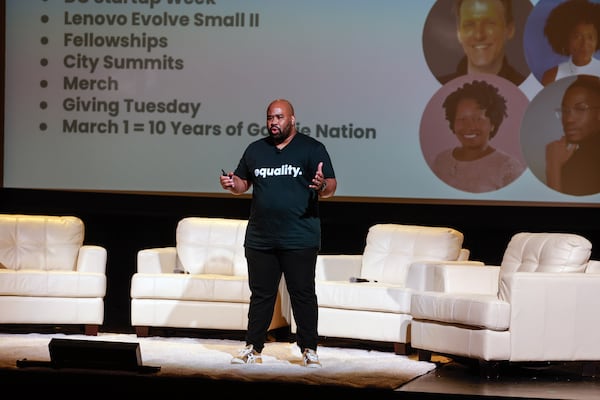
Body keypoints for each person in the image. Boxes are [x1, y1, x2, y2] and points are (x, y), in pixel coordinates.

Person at [220, 99, 337, 368]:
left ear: (292, 120)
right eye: (270, 117)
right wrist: (231, 183)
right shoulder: (256, 149)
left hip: (300, 236)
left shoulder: (312, 148)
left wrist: (321, 186)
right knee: (261, 295)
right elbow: (243, 183)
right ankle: (253, 347)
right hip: (261, 237)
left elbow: (331, 185)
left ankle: (309, 348)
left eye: (279, 117)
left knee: (303, 294)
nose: (274, 122)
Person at [432, 79, 525, 193]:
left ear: (493, 124)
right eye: (462, 119)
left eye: (478, 119)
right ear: (453, 122)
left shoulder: (508, 168)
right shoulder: (441, 160)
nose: (469, 126)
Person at [439, 0, 527, 86]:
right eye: (469, 25)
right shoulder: (438, 90)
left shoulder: (528, 90)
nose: (479, 35)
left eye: (490, 23)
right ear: (458, 33)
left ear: (509, 30)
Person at [545, 74, 600, 195]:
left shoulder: (587, 161)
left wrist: (553, 165)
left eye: (580, 109)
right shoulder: (583, 152)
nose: (569, 119)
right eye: (565, 111)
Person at [541, 0, 600, 86]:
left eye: (590, 37)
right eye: (577, 37)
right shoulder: (552, 77)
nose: (584, 44)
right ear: (565, 40)